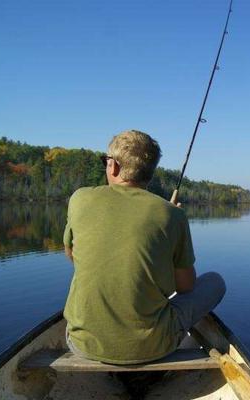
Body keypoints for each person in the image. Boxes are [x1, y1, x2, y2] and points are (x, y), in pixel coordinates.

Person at [63, 129, 226, 364]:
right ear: (148, 174)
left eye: (106, 162)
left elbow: (73, 255)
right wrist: (170, 220)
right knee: (215, 282)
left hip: (82, 344)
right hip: (154, 347)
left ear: (115, 167)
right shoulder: (171, 215)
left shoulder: (80, 198)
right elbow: (186, 286)